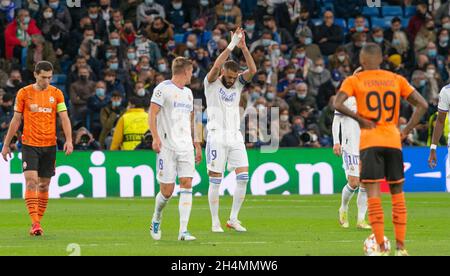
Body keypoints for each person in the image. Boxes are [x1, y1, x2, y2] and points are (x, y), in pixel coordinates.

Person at [335, 43, 428, 256]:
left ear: (362, 60)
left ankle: (381, 246)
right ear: (381, 59)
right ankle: (401, 248)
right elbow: (422, 104)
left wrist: (359, 119)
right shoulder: (396, 79)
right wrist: (404, 131)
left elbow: (337, 104)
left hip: (370, 142)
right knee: (397, 194)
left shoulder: (354, 80)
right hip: (392, 140)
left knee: (373, 194)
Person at [1, 61, 73, 236]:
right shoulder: (24, 93)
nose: (47, 81)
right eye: (43, 77)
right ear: (35, 75)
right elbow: (16, 120)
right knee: (31, 181)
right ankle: (35, 223)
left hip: (49, 145)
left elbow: (64, 117)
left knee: (44, 185)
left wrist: (69, 140)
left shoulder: (56, 94)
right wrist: (6, 144)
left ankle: (37, 222)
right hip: (30, 144)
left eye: (49, 77)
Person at [204, 28, 257, 233]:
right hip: (216, 135)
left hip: (235, 135)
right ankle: (215, 222)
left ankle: (233, 218)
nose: (232, 80)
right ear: (223, 73)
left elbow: (252, 71)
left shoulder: (237, 85)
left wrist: (244, 48)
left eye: (235, 77)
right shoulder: (211, 83)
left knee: (243, 177)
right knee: (215, 180)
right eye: (229, 76)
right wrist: (231, 45)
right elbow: (217, 65)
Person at [148, 57, 202, 241]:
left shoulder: (188, 93)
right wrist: (155, 137)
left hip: (185, 146)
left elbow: (192, 120)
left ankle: (183, 231)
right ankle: (157, 217)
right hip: (167, 146)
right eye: (191, 71)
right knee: (167, 192)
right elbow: (152, 114)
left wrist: (197, 143)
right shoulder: (163, 88)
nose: (192, 75)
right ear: (185, 71)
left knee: (187, 183)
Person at [332, 91, 370, 230]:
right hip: (350, 146)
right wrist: (336, 142)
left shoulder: (373, 98)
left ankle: (361, 219)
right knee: (354, 182)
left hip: (367, 146)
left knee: (365, 183)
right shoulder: (345, 97)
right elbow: (336, 120)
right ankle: (343, 208)